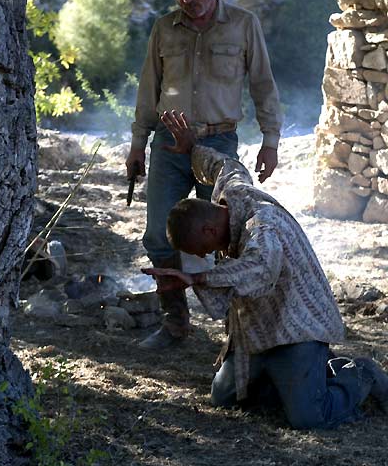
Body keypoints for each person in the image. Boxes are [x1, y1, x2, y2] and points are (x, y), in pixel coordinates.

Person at [141, 111, 388, 430]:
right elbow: (223, 166)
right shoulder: (229, 194)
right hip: (255, 332)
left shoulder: (264, 227)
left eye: (198, 250)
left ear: (207, 230)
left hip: (297, 328)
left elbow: (260, 268)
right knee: (225, 397)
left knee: (308, 417)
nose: (203, 255)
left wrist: (197, 278)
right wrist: (191, 148)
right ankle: (295, 377)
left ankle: (360, 373)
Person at [126, 0, 282, 350]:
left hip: (220, 141)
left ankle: (238, 330)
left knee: (226, 236)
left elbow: (263, 84)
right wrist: (137, 143)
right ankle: (174, 322)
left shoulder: (243, 24)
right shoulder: (163, 28)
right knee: (159, 236)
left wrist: (270, 140)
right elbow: (149, 88)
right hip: (168, 142)